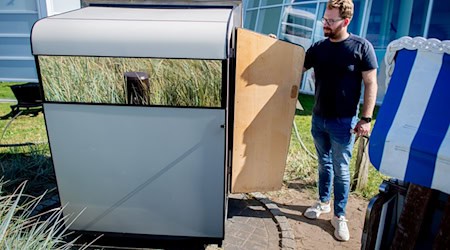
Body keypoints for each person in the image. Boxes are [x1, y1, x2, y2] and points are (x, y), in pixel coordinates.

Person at [302, 0, 378, 242]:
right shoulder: (318, 48)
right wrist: (273, 46)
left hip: (344, 122)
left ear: (345, 22)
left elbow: (371, 84)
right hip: (318, 118)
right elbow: (294, 66)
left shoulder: (361, 47)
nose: (325, 24)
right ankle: (324, 202)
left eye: (330, 21)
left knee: (342, 170)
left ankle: (339, 216)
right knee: (324, 164)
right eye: (324, 19)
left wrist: (365, 118)